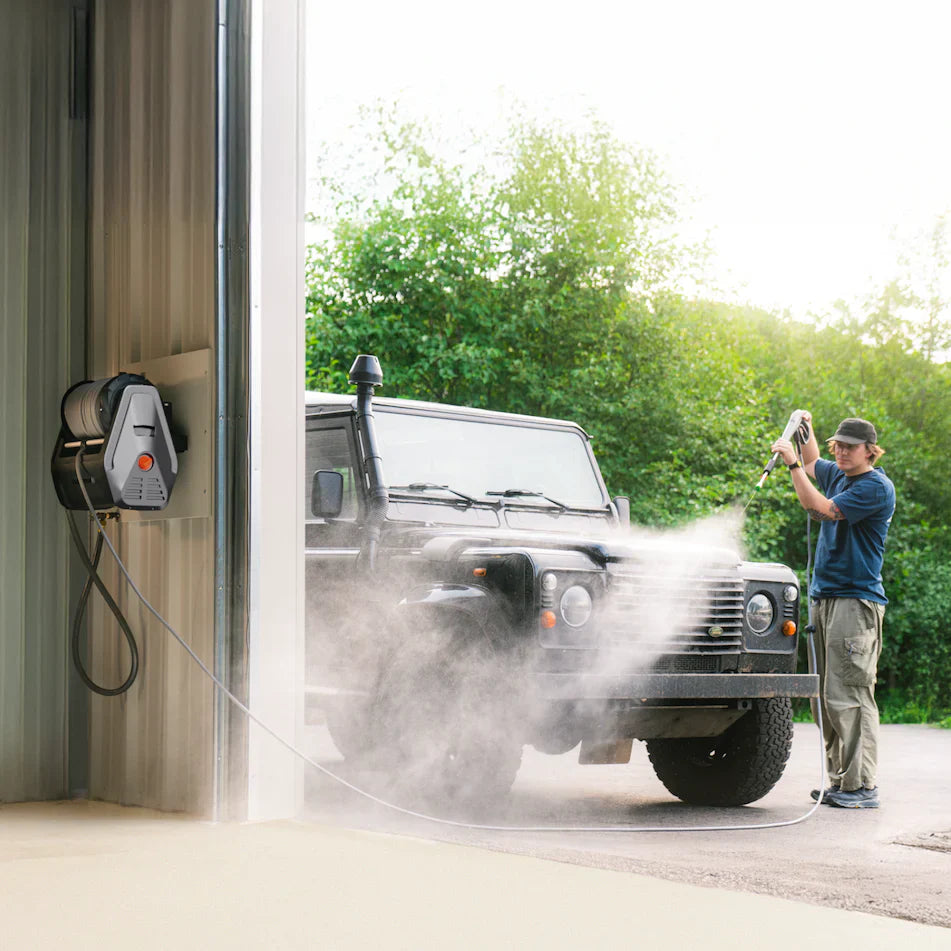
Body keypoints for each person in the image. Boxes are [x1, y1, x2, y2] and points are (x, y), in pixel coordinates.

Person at [771, 413, 896, 809]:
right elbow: (812, 463)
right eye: (837, 445)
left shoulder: (874, 487)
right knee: (824, 698)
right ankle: (841, 782)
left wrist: (791, 464)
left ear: (870, 451)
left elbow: (821, 508)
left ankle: (862, 786)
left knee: (850, 695)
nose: (840, 452)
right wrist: (804, 428)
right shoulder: (839, 474)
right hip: (825, 598)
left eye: (849, 447)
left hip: (855, 602)